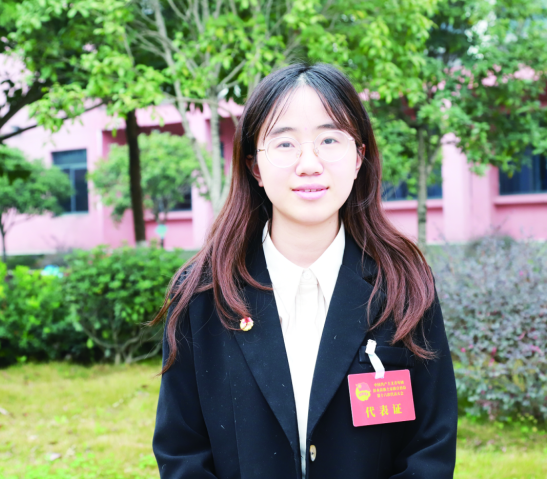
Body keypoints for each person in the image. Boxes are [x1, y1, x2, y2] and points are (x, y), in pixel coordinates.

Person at [151, 63, 457, 479]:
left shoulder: (404, 285)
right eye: (284, 143)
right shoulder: (204, 293)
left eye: (329, 139)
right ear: (254, 166)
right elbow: (182, 452)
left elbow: (429, 449)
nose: (309, 164)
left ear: (358, 157)